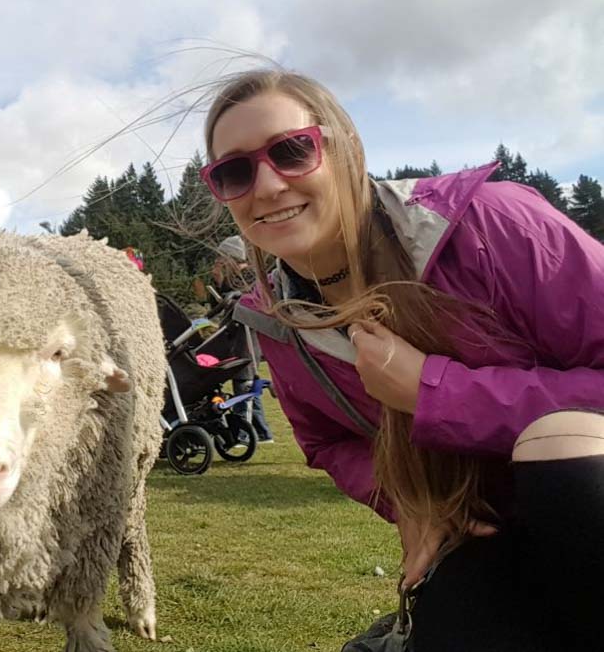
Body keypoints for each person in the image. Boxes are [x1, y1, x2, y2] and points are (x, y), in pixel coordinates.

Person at [199, 69, 604, 650]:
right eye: (234, 171)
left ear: (343, 149)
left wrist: (436, 393)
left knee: (563, 454)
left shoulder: (491, 226)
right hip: (480, 533)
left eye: (291, 151)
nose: (265, 186)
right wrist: (408, 501)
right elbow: (328, 444)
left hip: (586, 507)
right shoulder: (278, 322)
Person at [211, 235, 274, 443]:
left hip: (247, 341)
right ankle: (263, 433)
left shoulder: (249, 276)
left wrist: (228, 290)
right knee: (245, 387)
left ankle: (245, 435)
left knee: (245, 388)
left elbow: (245, 300)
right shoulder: (234, 278)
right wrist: (220, 282)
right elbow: (220, 305)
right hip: (236, 340)